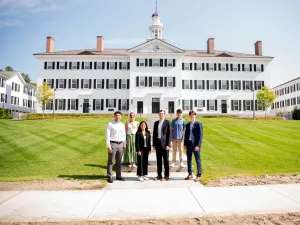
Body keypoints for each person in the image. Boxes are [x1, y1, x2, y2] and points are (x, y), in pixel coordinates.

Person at [106, 111, 126, 183]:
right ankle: (110, 176)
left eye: (119, 115)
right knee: (110, 161)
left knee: (119, 161)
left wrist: (124, 145)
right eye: (116, 115)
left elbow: (124, 136)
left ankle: (118, 176)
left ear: (121, 116)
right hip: (113, 144)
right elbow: (107, 136)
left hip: (120, 144)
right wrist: (108, 146)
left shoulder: (122, 125)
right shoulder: (110, 124)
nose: (118, 117)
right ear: (114, 116)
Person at [184, 110, 203, 182]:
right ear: (189, 116)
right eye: (191, 115)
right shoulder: (188, 124)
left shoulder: (198, 124)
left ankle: (199, 175)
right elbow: (186, 136)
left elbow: (200, 136)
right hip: (189, 145)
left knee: (197, 160)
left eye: (193, 115)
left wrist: (198, 145)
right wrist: (185, 145)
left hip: (195, 145)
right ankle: (190, 174)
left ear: (195, 116)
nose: (192, 116)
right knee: (189, 160)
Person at [153, 110, 171, 181]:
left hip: (165, 144)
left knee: (166, 161)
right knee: (159, 161)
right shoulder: (156, 123)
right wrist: (154, 144)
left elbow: (169, 134)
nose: (161, 115)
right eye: (160, 114)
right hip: (158, 144)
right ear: (158, 115)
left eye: (162, 114)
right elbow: (154, 134)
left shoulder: (167, 122)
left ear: (164, 115)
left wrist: (168, 144)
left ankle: (166, 176)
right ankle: (159, 175)